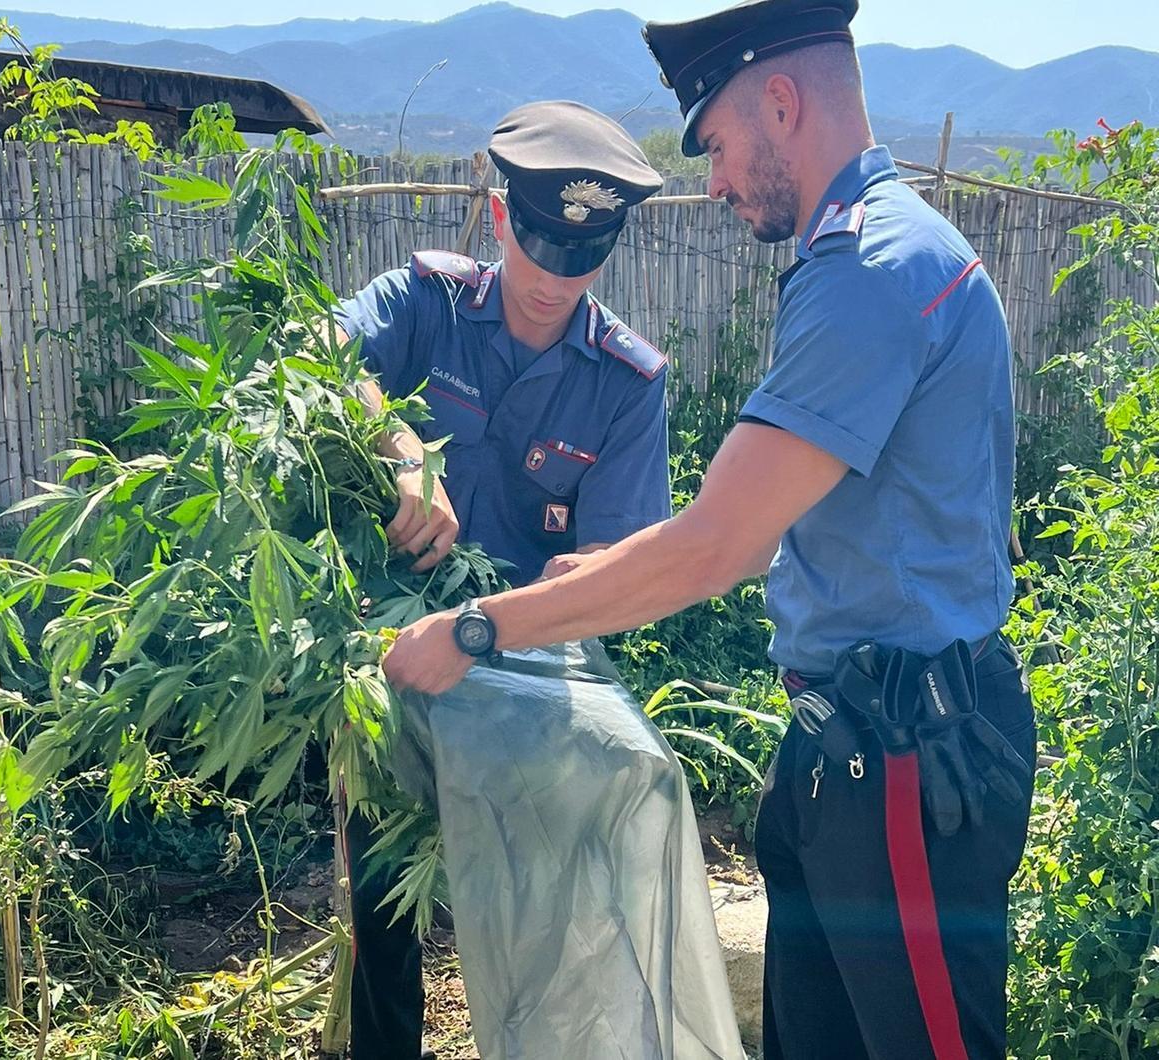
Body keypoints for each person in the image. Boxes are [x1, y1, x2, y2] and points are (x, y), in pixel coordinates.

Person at [382, 2, 1037, 1058]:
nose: (716, 182)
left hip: (909, 760)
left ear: (780, 104)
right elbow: (804, 520)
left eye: (720, 147)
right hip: (849, 744)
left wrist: (473, 630)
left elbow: (715, 545)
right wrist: (626, 565)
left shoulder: (870, 274)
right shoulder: (867, 257)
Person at [334, 100, 673, 1060]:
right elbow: (319, 354)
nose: (554, 278)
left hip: (530, 687)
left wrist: (550, 592)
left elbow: (613, 568)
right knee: (384, 909)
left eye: (583, 256)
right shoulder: (426, 304)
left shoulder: (628, 384)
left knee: (538, 912)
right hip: (394, 664)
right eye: (537, 245)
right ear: (497, 219)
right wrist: (396, 443)